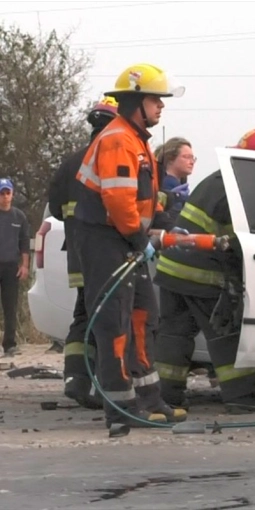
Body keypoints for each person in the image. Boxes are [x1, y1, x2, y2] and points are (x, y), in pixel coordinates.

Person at [153, 127, 255, 413]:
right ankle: (242, 393)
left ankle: (167, 395)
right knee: (224, 331)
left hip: (172, 268)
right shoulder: (240, 189)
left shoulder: (220, 179)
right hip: (202, 273)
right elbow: (244, 238)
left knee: (174, 335)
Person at [73, 62, 188, 427]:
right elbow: (120, 202)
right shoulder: (118, 140)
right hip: (108, 241)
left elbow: (144, 200)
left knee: (143, 319)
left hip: (124, 241)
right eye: (156, 100)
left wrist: (162, 226)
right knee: (114, 325)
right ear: (136, 102)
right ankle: (121, 409)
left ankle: (150, 400)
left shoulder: (136, 142)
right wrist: (140, 239)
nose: (162, 107)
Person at [48, 97, 118, 406]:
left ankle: (76, 378)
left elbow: (57, 210)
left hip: (77, 253)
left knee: (83, 314)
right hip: (107, 251)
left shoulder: (69, 162)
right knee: (109, 317)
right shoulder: (112, 157)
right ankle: (107, 383)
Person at [0, 178, 30, 358]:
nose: (5, 197)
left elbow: (25, 242)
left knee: (10, 307)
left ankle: (10, 344)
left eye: (7, 193)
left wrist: (25, 265)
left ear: (12, 194)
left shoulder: (19, 217)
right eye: (2, 194)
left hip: (11, 266)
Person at [154, 137, 195, 221]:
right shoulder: (166, 184)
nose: (192, 162)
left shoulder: (179, 185)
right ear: (170, 159)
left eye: (193, 158)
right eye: (186, 157)